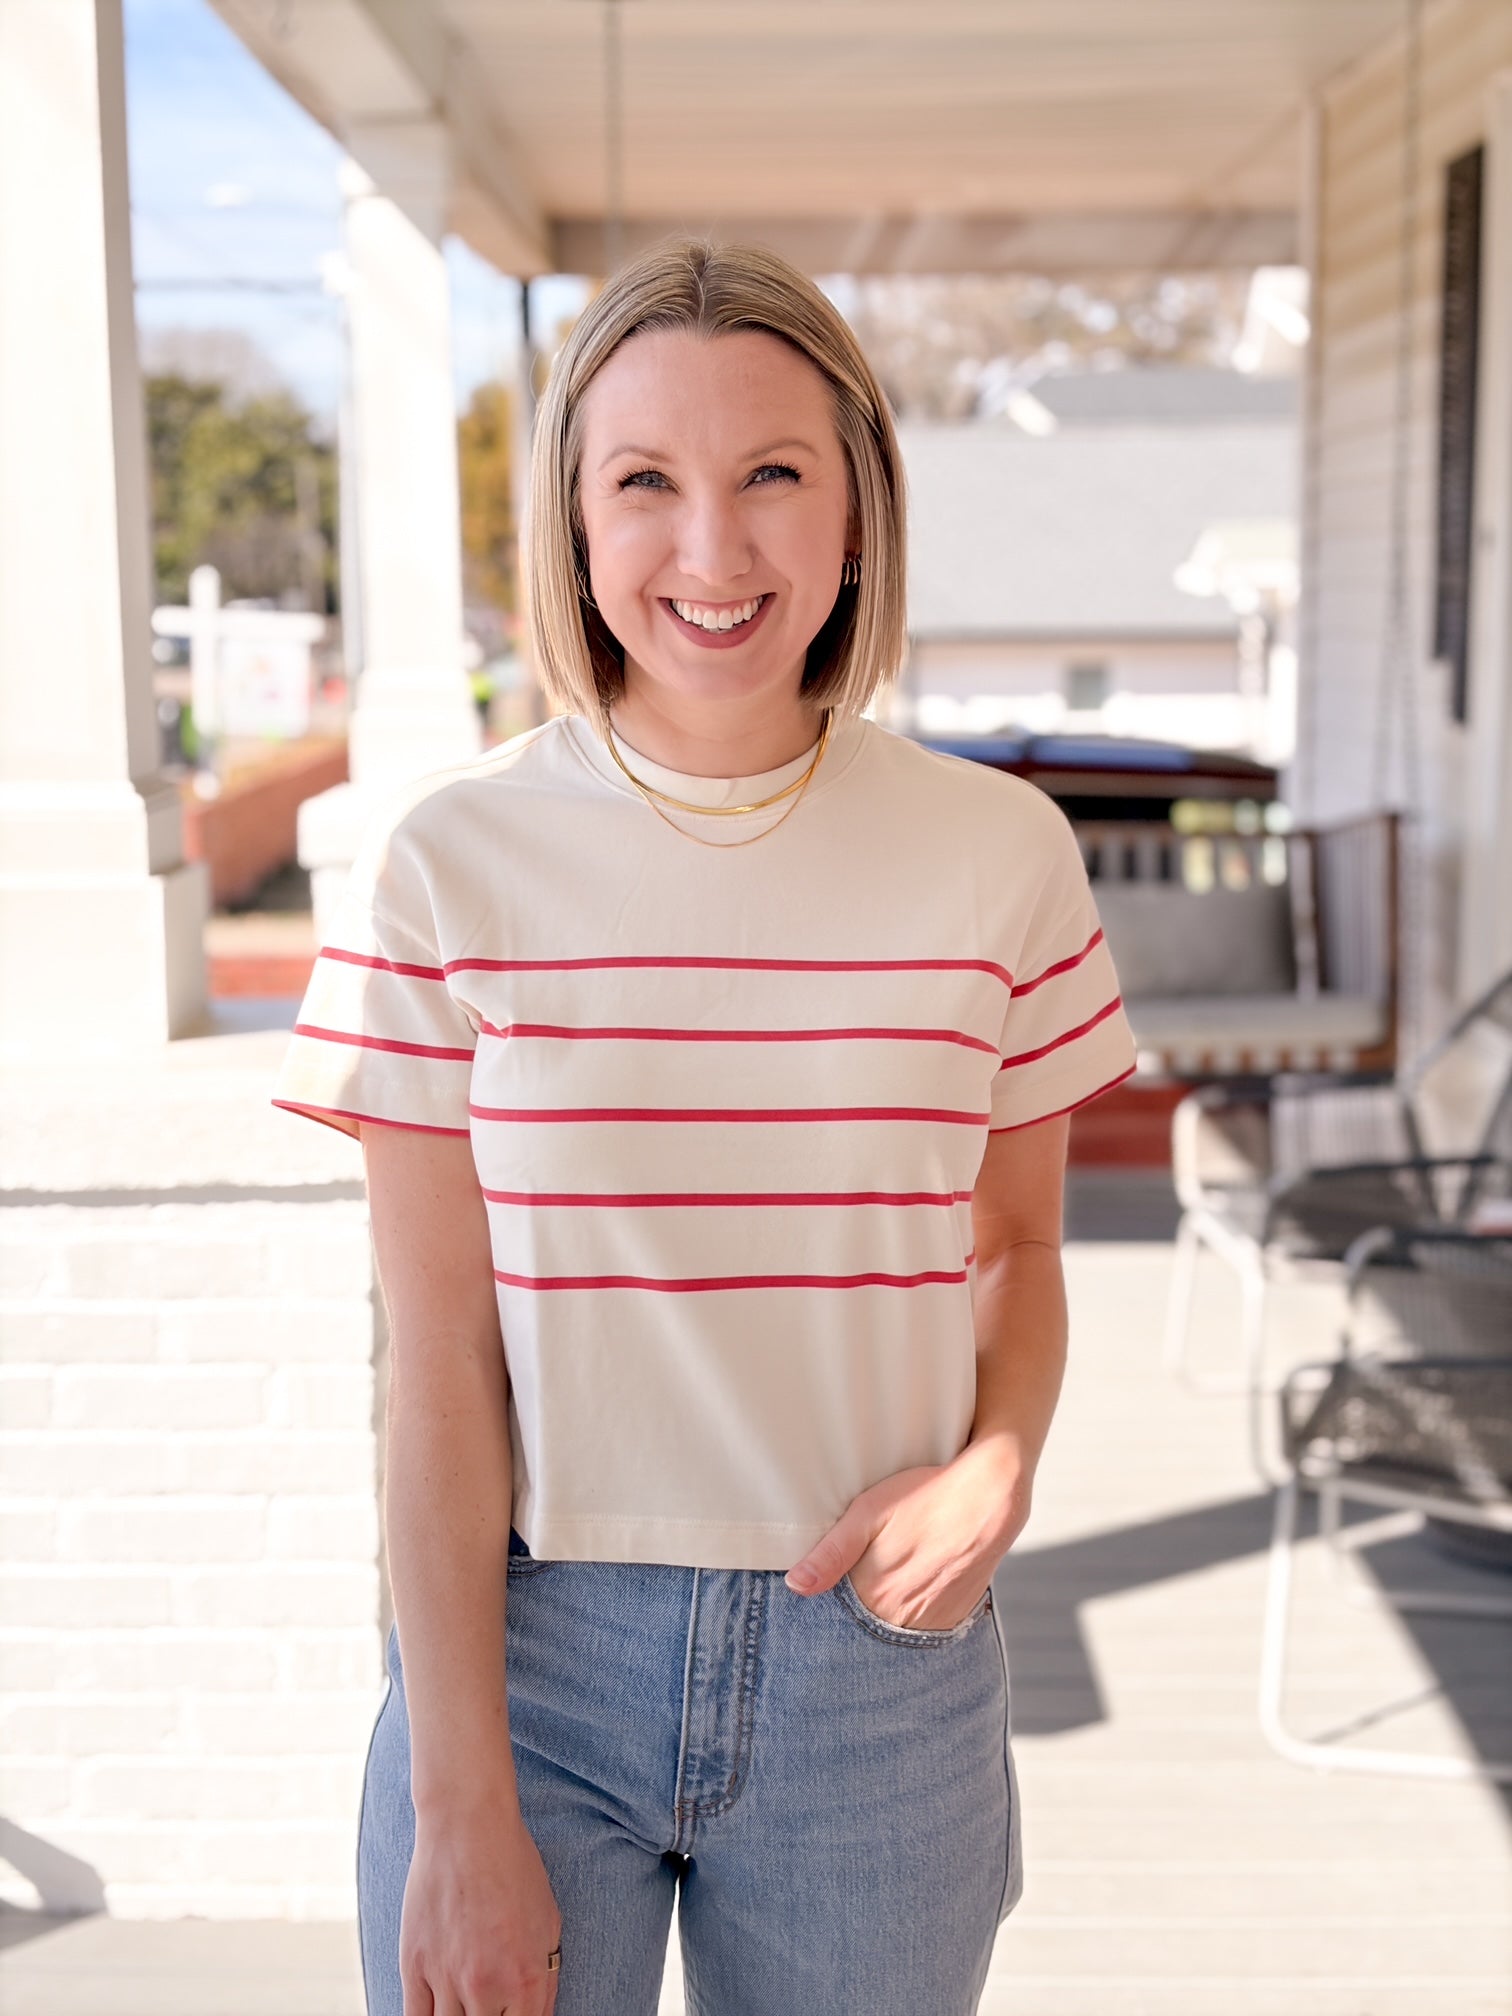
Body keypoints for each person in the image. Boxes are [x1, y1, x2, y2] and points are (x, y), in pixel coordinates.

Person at [270, 236, 1138, 2016]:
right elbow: (434, 1366)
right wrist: (456, 1806)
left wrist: (1000, 1465)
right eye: (644, 482)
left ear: (857, 506)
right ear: (576, 521)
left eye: (772, 476)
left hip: (875, 1671)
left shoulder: (1002, 855)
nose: (713, 552)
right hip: (529, 1665)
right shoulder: (447, 861)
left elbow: (1020, 1247)